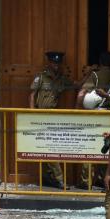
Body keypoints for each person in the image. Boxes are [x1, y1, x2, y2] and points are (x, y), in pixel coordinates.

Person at [29, 51, 74, 189]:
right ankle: (59, 179)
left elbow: (76, 84)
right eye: (54, 63)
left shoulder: (61, 79)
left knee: (49, 147)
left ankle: (48, 178)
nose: (56, 65)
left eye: (58, 63)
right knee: (47, 148)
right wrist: (31, 113)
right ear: (49, 62)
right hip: (41, 116)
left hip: (54, 118)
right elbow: (32, 94)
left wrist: (90, 75)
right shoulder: (41, 77)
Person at [77, 51, 110, 190]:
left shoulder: (95, 75)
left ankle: (85, 181)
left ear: (100, 62)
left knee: (89, 145)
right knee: (104, 147)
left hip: (94, 115)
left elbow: (82, 93)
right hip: (109, 115)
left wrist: (76, 110)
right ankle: (100, 178)